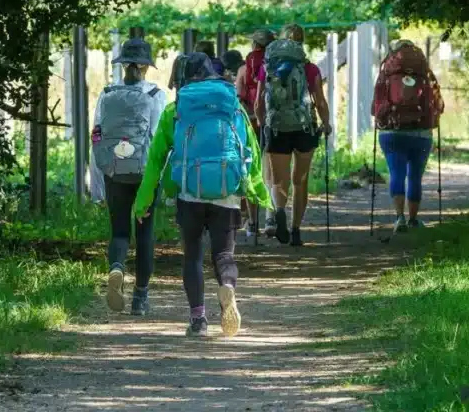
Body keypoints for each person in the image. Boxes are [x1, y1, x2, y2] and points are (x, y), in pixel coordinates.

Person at [132, 52, 271, 338]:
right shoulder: (232, 104)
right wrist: (258, 191)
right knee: (223, 253)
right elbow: (251, 153)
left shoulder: (177, 108)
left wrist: (143, 201)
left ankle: (198, 321)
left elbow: (156, 160)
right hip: (226, 192)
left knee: (193, 256)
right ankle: (228, 288)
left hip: (189, 191)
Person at [90, 38, 166, 314]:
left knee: (119, 232)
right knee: (144, 234)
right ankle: (140, 299)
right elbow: (159, 139)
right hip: (145, 174)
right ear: (146, 67)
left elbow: (97, 135)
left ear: (122, 65)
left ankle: (117, 268)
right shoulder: (156, 96)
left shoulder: (107, 93)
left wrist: (98, 179)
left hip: (114, 171)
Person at [254, 24, 332, 246]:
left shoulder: (266, 67)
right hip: (304, 127)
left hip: (277, 127)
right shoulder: (311, 69)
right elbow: (320, 101)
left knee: (279, 179)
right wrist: (326, 123)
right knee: (301, 180)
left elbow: (259, 102)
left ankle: (279, 211)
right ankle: (296, 230)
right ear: (301, 43)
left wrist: (263, 123)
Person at [371, 39, 445, 232]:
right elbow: (439, 105)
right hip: (421, 133)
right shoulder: (424, 73)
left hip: (392, 133)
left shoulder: (386, 73)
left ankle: (399, 218)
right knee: (414, 177)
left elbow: (375, 107)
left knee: (397, 173)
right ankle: (413, 219)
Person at [235, 29, 274, 238]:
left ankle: (252, 221)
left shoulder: (244, 69)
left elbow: (239, 97)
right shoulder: (275, 66)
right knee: (270, 172)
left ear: (254, 45)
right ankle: (270, 216)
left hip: (249, 123)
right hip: (272, 123)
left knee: (250, 170)